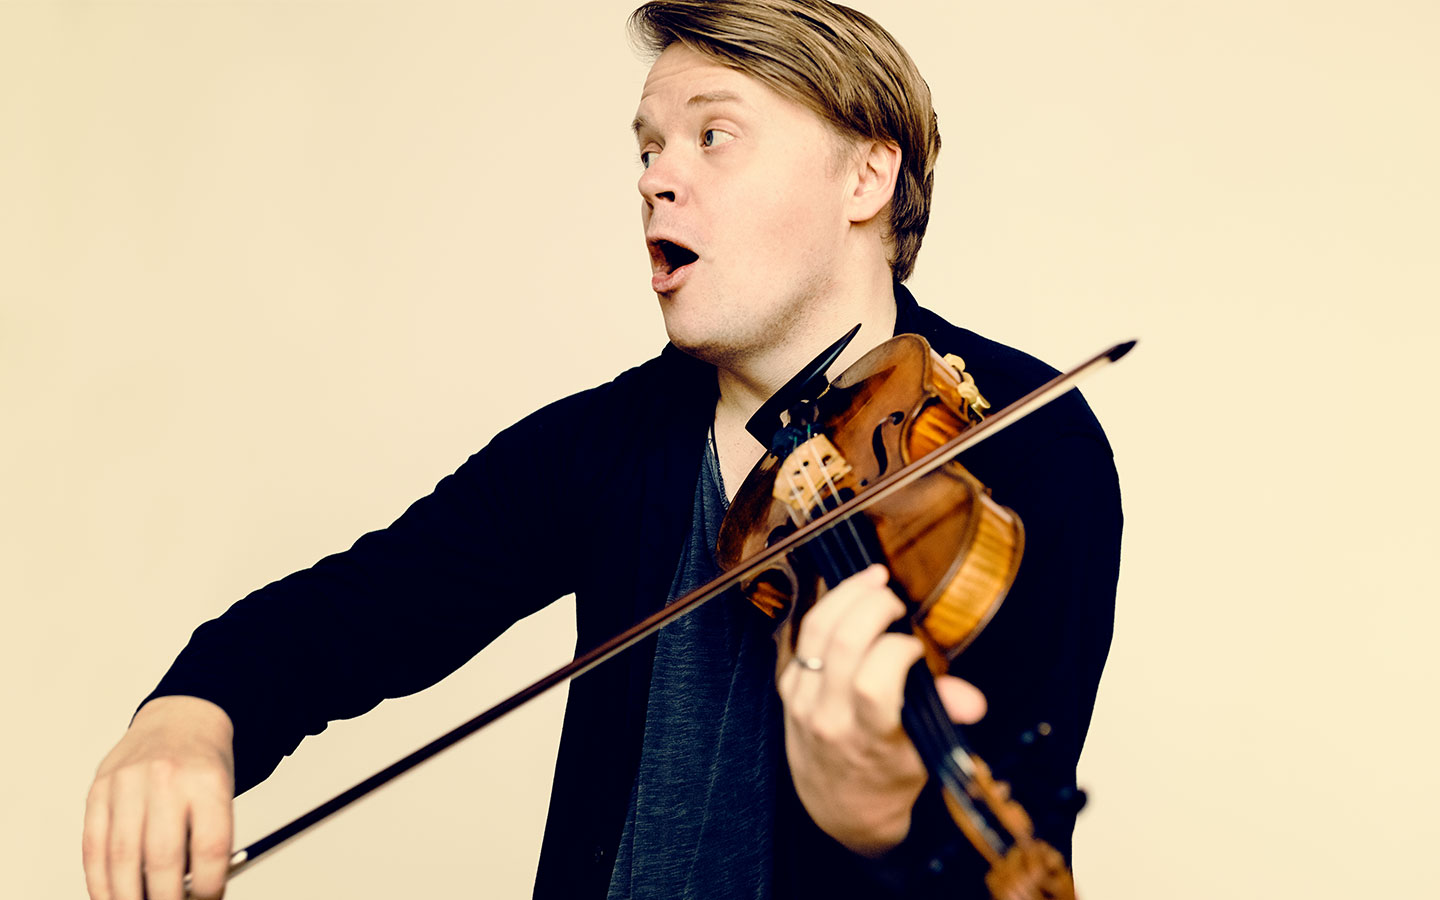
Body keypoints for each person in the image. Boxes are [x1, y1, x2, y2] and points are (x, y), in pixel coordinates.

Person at [81, 2, 1122, 899]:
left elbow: (1014, 833)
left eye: (713, 135)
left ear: (866, 176)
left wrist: (877, 822)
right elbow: (360, 609)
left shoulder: (1018, 440)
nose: (657, 177)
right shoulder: (604, 445)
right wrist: (194, 713)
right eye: (648, 148)